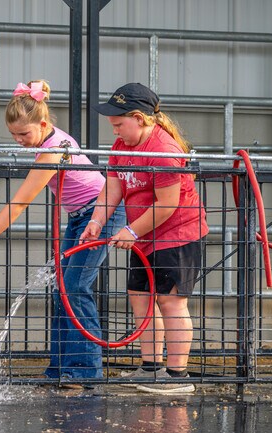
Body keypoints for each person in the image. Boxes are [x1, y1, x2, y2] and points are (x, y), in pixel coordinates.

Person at [0, 79, 126, 383]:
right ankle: (60, 368)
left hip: (103, 212)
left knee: (75, 287)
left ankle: (85, 372)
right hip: (80, 215)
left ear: (43, 123)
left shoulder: (52, 151)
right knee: (63, 289)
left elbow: (20, 202)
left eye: (24, 133)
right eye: (13, 135)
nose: (19, 140)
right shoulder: (48, 143)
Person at [79, 82, 208, 394]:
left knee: (171, 302)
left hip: (176, 233)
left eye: (119, 124)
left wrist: (132, 230)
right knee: (141, 298)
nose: (115, 131)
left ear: (139, 118)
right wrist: (97, 221)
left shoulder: (164, 151)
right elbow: (112, 188)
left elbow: (168, 203)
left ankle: (178, 376)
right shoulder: (122, 147)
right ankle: (150, 367)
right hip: (143, 236)